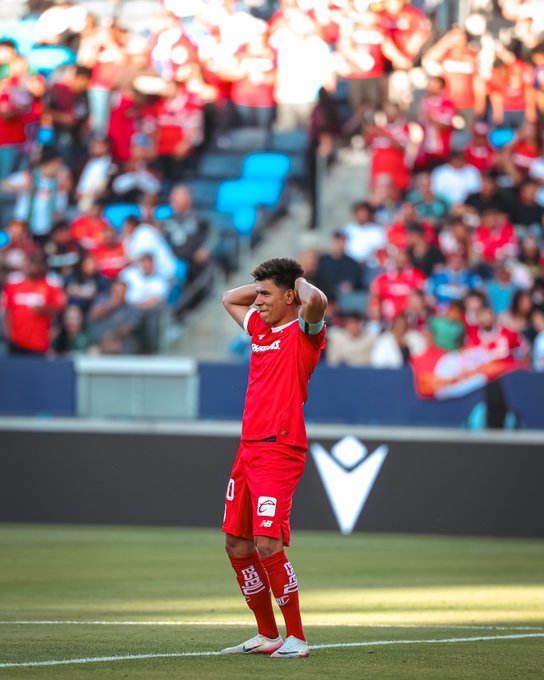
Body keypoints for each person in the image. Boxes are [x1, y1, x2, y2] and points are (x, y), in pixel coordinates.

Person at [220, 257, 327, 659]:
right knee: (236, 543)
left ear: (290, 296)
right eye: (258, 294)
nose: (258, 301)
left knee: (267, 542)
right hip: (248, 448)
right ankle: (267, 634)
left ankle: (296, 636)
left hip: (280, 448)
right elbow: (229, 298)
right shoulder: (260, 329)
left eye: (266, 294)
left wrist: (295, 282)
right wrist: (267, 285)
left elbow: (315, 301)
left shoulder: (304, 333)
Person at [1, 252, 66, 355]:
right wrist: (9, 334)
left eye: (38, 263)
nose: (35, 267)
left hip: (39, 343)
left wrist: (43, 309)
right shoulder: (13, 286)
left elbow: (59, 308)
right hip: (16, 341)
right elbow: (7, 311)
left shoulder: (51, 288)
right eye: (32, 263)